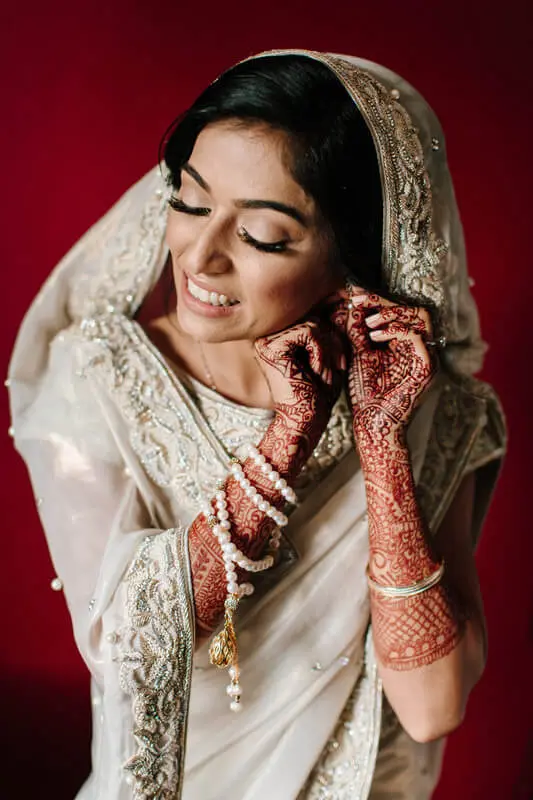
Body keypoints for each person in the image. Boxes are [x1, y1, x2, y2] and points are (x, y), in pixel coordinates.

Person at [7, 50, 506, 799]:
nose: (201, 256)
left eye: (263, 237)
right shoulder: (99, 379)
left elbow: (431, 707)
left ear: (350, 258)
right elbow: (128, 650)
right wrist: (288, 436)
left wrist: (379, 442)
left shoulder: (425, 410)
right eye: (189, 200)